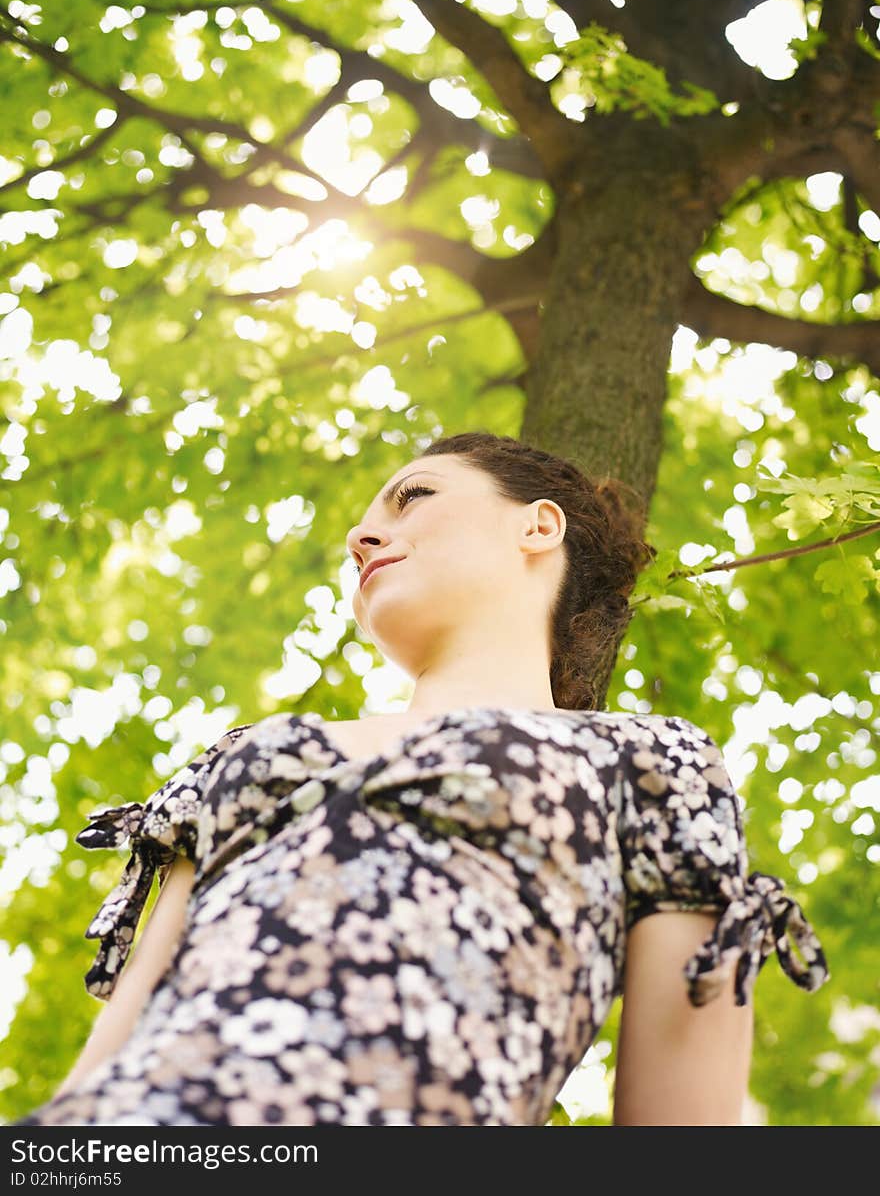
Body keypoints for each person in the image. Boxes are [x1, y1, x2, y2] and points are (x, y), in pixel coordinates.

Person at [13, 430, 829, 1127]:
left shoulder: (649, 762)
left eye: (411, 497)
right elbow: (107, 1054)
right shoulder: (245, 752)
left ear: (538, 526)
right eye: (362, 527)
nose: (361, 538)